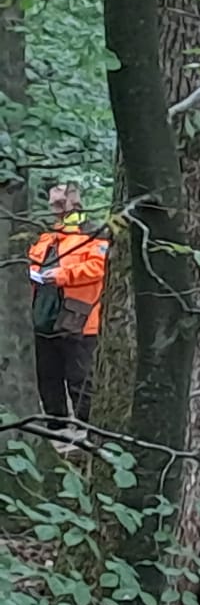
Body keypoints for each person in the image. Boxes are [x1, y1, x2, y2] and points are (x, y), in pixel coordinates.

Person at [27, 181, 107, 427]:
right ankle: (55, 424)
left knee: (80, 376)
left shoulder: (93, 233)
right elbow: (30, 263)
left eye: (62, 203)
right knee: (47, 375)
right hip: (43, 316)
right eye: (54, 204)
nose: (57, 209)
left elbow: (99, 267)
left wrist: (63, 275)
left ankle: (87, 426)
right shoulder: (46, 237)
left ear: (76, 201)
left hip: (78, 317)